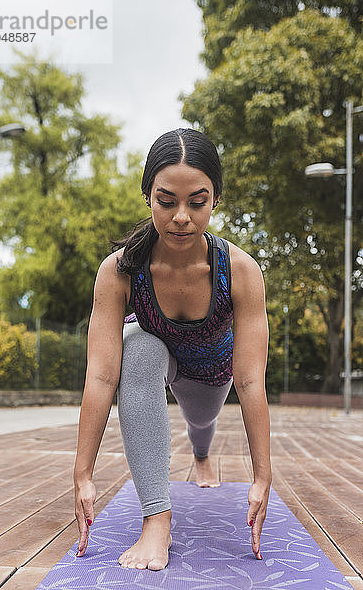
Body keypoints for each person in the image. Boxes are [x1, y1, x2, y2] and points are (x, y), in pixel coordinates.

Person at [73, 128, 271, 571]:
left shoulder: (239, 271)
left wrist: (262, 474)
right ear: (148, 197)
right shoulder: (120, 271)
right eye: (167, 201)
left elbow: (251, 379)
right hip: (159, 361)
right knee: (137, 347)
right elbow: (102, 375)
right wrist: (82, 471)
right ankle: (156, 519)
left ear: (215, 199)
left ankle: (202, 454)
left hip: (212, 375)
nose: (182, 216)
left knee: (201, 423)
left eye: (197, 202)